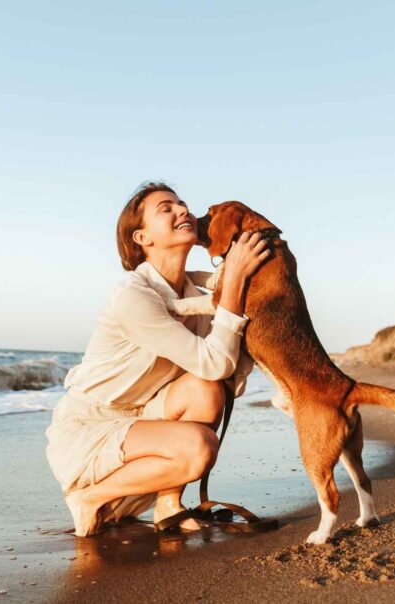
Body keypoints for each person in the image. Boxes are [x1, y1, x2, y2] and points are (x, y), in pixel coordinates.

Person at [45, 182, 271, 536]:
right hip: (92, 429)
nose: (182, 210)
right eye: (166, 208)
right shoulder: (132, 296)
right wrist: (236, 279)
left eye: (182, 204)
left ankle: (168, 503)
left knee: (207, 390)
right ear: (142, 238)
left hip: (146, 418)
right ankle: (91, 497)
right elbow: (217, 361)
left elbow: (219, 372)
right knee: (200, 448)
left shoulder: (193, 291)